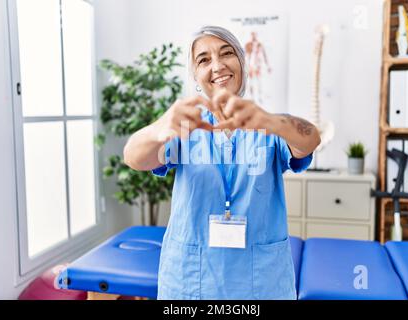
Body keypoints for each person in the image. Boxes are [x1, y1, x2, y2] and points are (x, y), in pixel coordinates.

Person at [123, 25, 321, 300]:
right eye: (204, 59)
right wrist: (162, 126)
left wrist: (270, 121)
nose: (217, 66)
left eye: (226, 54)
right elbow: (133, 156)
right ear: (195, 74)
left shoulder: (269, 125)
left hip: (261, 283)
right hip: (190, 280)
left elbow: (310, 140)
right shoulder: (182, 126)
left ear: (241, 62)